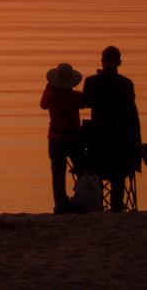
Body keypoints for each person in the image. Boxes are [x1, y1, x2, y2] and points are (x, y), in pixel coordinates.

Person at [82, 46, 142, 211]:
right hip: (121, 147)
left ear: (102, 61)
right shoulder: (126, 83)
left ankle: (98, 203)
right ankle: (117, 206)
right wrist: (137, 143)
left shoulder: (92, 81)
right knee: (119, 173)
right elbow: (132, 113)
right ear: (119, 63)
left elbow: (85, 102)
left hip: (97, 150)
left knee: (98, 168)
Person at [41, 62, 85, 214]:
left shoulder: (51, 95)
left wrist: (49, 86)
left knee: (58, 173)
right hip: (74, 138)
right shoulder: (75, 97)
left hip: (56, 138)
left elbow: (43, 104)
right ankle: (82, 198)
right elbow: (86, 101)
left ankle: (60, 203)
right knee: (81, 170)